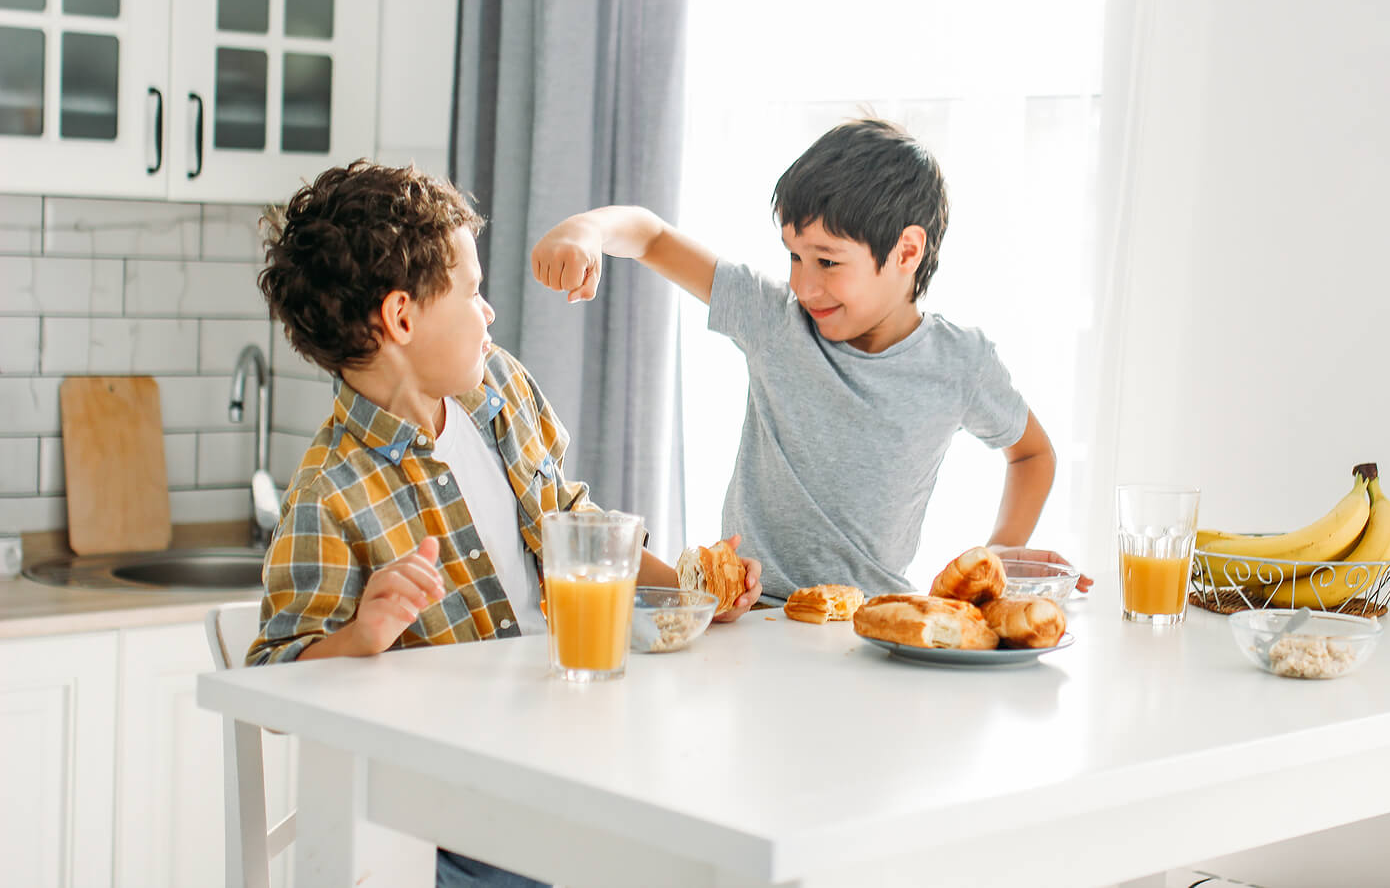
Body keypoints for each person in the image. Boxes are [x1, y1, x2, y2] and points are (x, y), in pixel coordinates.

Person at [245, 159, 761, 888]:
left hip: (560, 757)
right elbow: (271, 681)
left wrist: (688, 589)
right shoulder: (329, 493)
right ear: (400, 317)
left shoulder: (502, 390)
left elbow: (573, 524)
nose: (487, 312)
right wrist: (359, 635)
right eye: (472, 291)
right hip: (447, 822)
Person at [529, 117, 1093, 602]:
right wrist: (583, 231)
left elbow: (1032, 455)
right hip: (750, 615)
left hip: (869, 625)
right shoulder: (775, 319)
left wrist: (1003, 550)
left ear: (907, 251)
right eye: (794, 256)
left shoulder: (959, 363)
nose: (803, 284)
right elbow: (650, 237)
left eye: (827, 261)